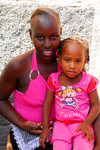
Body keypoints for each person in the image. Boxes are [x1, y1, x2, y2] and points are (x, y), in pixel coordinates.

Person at [0, 7, 62, 150]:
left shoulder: (69, 63)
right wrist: (22, 123)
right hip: (29, 133)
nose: (47, 44)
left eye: (53, 36)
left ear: (61, 33)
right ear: (30, 34)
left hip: (62, 129)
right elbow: (1, 98)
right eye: (40, 37)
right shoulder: (18, 66)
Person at [39, 37, 100, 150]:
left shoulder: (89, 81)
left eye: (78, 61)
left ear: (85, 61)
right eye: (67, 60)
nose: (72, 66)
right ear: (60, 59)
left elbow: (96, 105)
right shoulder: (54, 79)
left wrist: (87, 123)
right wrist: (45, 128)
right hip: (60, 126)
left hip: (82, 125)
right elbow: (47, 103)